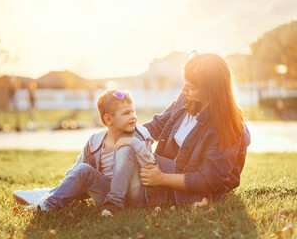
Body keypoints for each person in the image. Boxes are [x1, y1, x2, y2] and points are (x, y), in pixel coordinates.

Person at [13, 89, 155, 215]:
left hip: (136, 196)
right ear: (109, 119)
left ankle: (114, 204)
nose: (133, 117)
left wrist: (133, 143)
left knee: (124, 149)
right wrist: (68, 187)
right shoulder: (94, 141)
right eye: (126, 113)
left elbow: (150, 164)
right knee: (82, 169)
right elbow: (79, 170)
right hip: (106, 193)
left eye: (133, 111)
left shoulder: (140, 135)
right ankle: (48, 204)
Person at [139, 52, 251, 205]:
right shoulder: (186, 99)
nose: (184, 89)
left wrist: (161, 178)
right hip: (166, 169)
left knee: (129, 180)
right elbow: (156, 126)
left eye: (191, 87)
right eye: (184, 83)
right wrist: (122, 134)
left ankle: (102, 188)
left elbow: (207, 180)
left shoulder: (226, 127)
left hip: (191, 187)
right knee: (123, 154)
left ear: (210, 90)